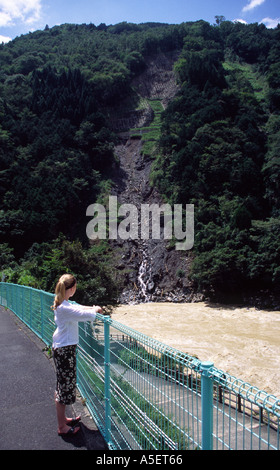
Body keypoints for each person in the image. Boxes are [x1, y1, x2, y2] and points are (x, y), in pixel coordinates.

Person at [51, 273, 103, 437]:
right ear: (72, 288)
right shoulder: (65, 308)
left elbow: (79, 307)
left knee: (63, 385)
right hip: (64, 351)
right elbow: (84, 314)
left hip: (63, 349)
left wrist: (91, 308)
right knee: (64, 387)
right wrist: (95, 310)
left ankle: (63, 420)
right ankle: (62, 427)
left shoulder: (64, 303)